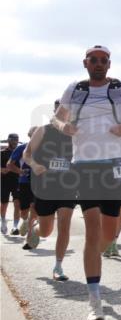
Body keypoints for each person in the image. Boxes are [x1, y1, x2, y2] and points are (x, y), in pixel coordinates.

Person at [52, 45, 121, 320]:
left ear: (109, 64)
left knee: (107, 235)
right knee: (93, 233)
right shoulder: (75, 89)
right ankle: (95, 303)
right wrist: (63, 127)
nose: (99, 64)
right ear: (85, 63)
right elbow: (57, 118)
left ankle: (101, 257)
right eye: (94, 60)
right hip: (85, 165)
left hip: (114, 164)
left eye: (104, 60)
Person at [23, 101, 76, 278]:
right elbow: (27, 154)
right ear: (55, 112)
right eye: (61, 111)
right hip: (44, 188)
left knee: (65, 225)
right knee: (46, 231)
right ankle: (36, 229)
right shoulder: (43, 130)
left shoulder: (74, 134)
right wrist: (34, 165)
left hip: (67, 187)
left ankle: (58, 266)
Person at [9, 132, 37, 249]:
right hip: (24, 182)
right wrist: (20, 172)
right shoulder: (22, 148)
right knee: (24, 211)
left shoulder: (46, 147)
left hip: (40, 184)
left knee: (34, 207)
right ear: (30, 136)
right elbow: (10, 164)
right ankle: (25, 221)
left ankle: (31, 237)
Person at [1, 133, 21, 235]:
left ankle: (15, 227)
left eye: (17, 140)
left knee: (17, 203)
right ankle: (3, 222)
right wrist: (3, 170)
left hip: (17, 182)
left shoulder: (20, 152)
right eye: (13, 140)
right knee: (4, 204)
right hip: (4, 182)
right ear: (9, 140)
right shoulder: (2, 153)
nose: (15, 142)